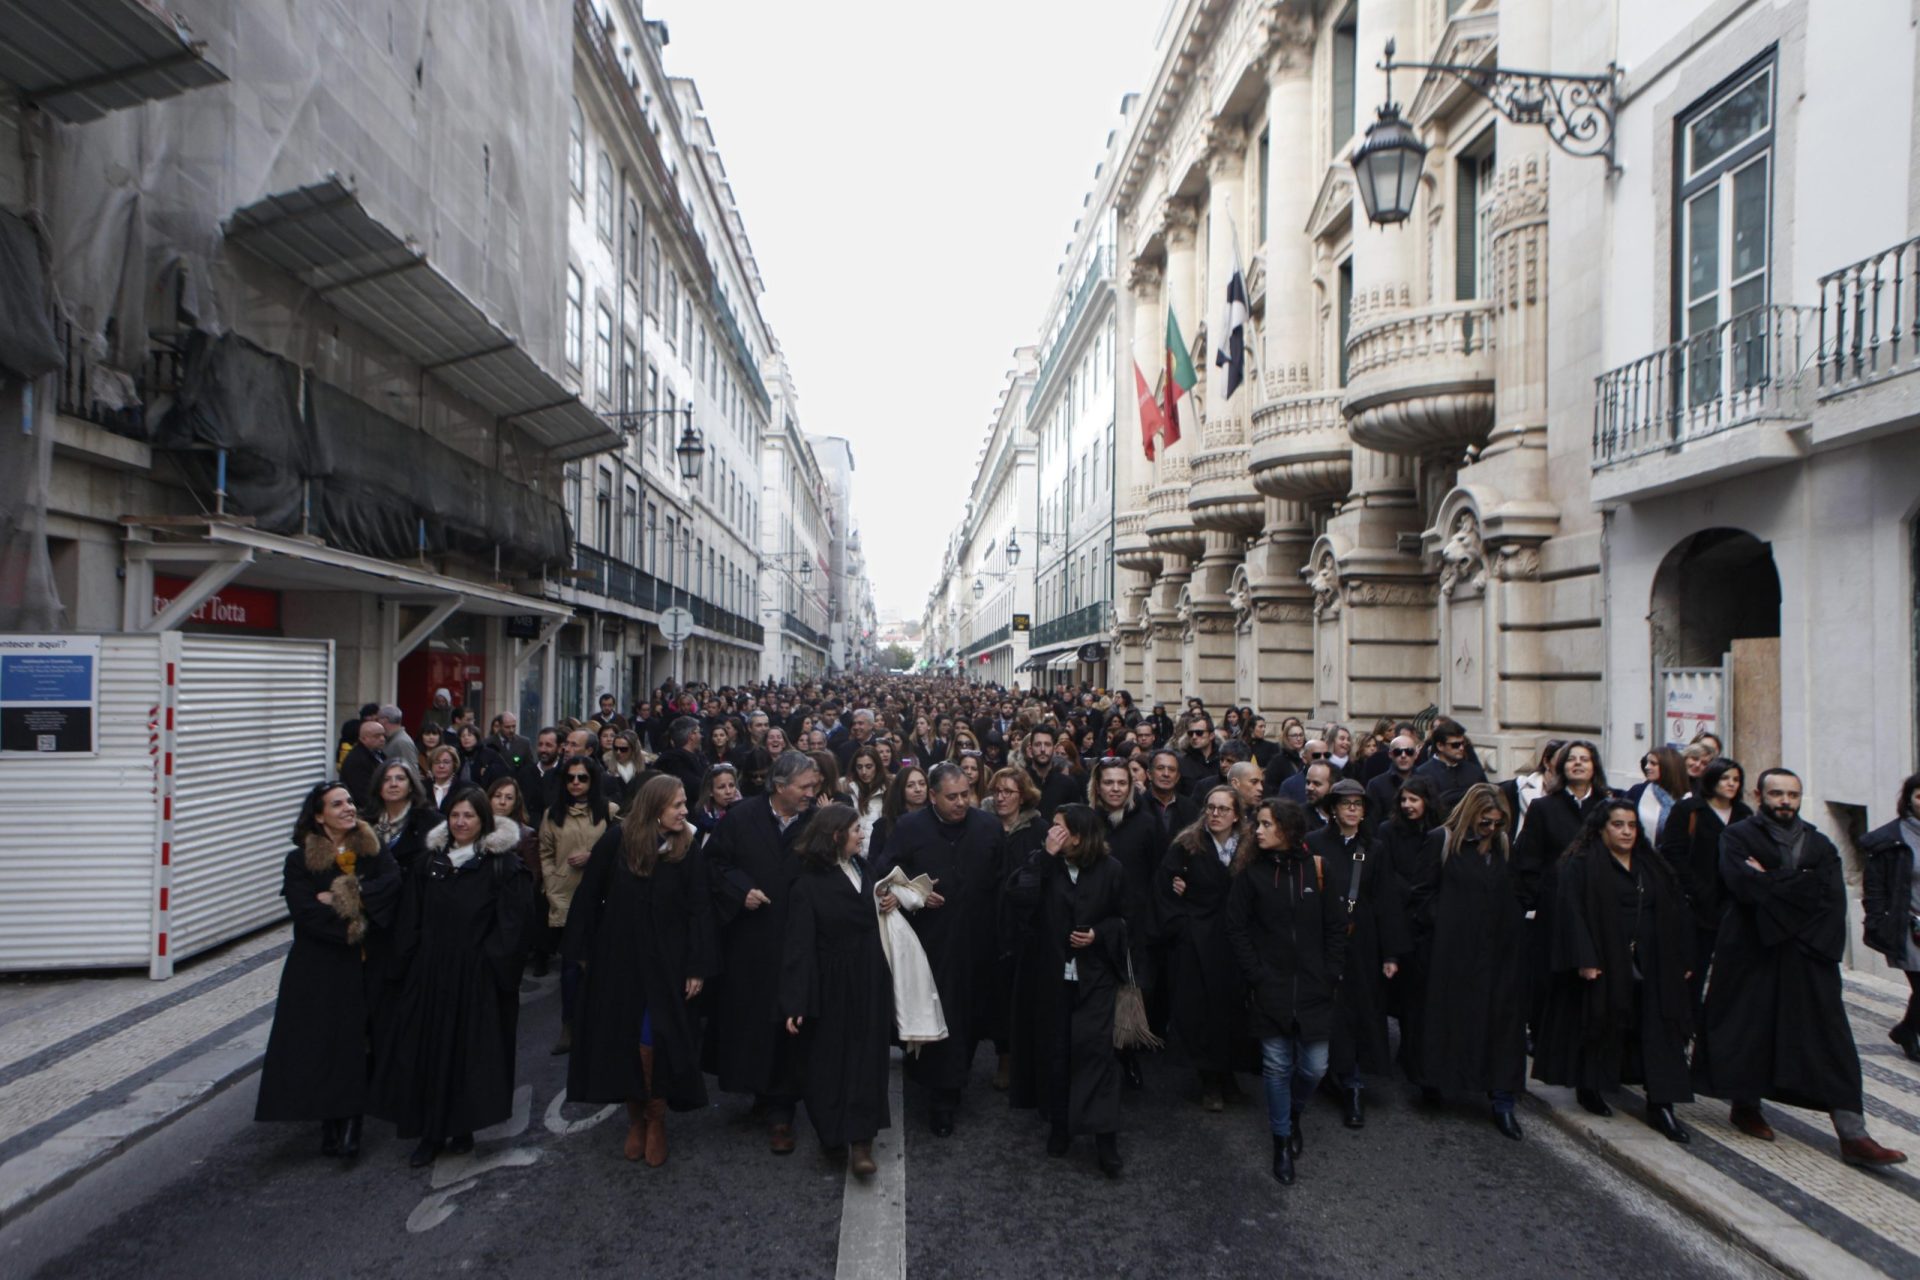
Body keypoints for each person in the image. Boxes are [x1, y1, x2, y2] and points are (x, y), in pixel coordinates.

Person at [1692, 769, 1907, 1167]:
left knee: (1832, 1042)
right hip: (1751, 952)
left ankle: (1853, 1134)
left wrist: (1772, 881)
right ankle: (1746, 1104)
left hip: (1807, 954)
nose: (1785, 801)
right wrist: (1795, 886)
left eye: (1792, 794)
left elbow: (1829, 899)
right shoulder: (1737, 837)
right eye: (1777, 794)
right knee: (1748, 1030)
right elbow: (1742, 886)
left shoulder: (1821, 844)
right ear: (1760, 795)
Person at [372, 787, 534, 1167]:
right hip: (430, 974)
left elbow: (512, 927)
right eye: (455, 816)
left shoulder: (503, 867)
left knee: (468, 1054)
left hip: (476, 977)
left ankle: (462, 1127)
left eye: (469, 816)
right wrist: (408, 965)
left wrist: (489, 966)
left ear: (484, 822)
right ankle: (430, 1132)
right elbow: (410, 918)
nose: (461, 823)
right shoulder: (428, 865)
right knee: (427, 1051)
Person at [565, 776, 715, 1167]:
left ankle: (656, 1118)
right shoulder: (617, 842)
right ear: (654, 808)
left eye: (685, 804)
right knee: (625, 1039)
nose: (685, 811)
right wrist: (583, 954)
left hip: (669, 965)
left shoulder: (687, 847)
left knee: (657, 1039)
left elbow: (700, 908)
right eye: (677, 805)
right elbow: (588, 896)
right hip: (620, 962)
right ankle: (636, 1118)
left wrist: (698, 965)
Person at [1533, 800, 1694, 1143]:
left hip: (1654, 961)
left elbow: (1676, 910)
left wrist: (1682, 959)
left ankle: (1662, 1104)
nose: (1626, 832)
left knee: (1659, 1030)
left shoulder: (1652, 865)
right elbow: (1571, 913)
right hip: (1605, 959)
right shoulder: (1580, 864)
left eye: (1631, 825)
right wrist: (1585, 958)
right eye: (1618, 825)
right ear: (1602, 829)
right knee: (1601, 1022)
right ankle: (1590, 1086)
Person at [256, 782, 401, 1159]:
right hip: (318, 966)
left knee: (358, 1042)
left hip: (365, 964)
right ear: (319, 815)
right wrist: (356, 908)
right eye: (338, 804)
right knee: (322, 1044)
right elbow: (304, 911)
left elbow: (392, 886)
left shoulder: (372, 847)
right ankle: (329, 1122)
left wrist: (341, 895)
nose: (349, 808)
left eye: (351, 801)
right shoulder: (299, 859)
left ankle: (352, 1122)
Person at [873, 761, 1003, 1137]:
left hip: (978, 943)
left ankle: (953, 1080)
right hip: (929, 944)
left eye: (966, 795)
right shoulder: (910, 828)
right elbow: (885, 875)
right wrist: (912, 894)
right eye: (952, 797)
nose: (961, 803)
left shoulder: (988, 827)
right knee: (938, 1011)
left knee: (969, 1015)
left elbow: (1000, 881)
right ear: (932, 797)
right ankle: (941, 1098)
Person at [1225, 798, 1346, 1186]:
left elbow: (1335, 926)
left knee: (1315, 1066)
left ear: (1288, 829)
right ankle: (1280, 1139)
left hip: (1313, 987)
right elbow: (1237, 927)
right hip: (1270, 987)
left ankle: (1293, 1112)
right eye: (1257, 824)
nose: (1257, 831)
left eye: (1265, 824)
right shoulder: (1250, 873)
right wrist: (1256, 974)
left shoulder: (1318, 870)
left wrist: (1330, 972)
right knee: (1277, 1066)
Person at [704, 750, 820, 1154]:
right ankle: (760, 1093)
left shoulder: (815, 823)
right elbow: (714, 865)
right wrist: (740, 891)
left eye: (814, 785)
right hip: (750, 943)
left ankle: (782, 1110)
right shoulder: (741, 817)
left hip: (799, 944)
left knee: (791, 1022)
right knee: (752, 1021)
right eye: (805, 787)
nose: (812, 793)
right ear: (779, 786)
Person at [1004, 803, 1128, 1177]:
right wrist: (1044, 858)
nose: (1051, 832)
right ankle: (1060, 1126)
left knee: (1097, 1056)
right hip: (1051, 978)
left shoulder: (1111, 870)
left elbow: (1125, 919)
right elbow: (1017, 900)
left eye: (1059, 828)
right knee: (1055, 1052)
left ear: (1079, 835)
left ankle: (1105, 1138)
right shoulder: (1043, 862)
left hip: (1096, 980)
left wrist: (1098, 935)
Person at [1407, 783, 1527, 1138]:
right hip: (1451, 951)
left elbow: (1512, 890)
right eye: (1484, 823)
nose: (1489, 830)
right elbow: (1421, 893)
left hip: (1496, 951)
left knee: (1500, 1024)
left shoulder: (1503, 846)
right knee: (1447, 1017)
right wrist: (1443, 923)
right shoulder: (1441, 841)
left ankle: (1502, 1099)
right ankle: (1436, 1081)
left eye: (1496, 823)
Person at [780, 803, 894, 1176]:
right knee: (828, 1059)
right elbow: (798, 947)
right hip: (829, 983)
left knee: (867, 1056)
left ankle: (861, 1140)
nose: (862, 836)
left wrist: (889, 899)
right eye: (856, 830)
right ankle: (831, 1133)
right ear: (835, 836)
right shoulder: (807, 885)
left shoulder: (866, 868)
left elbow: (877, 905)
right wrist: (796, 1000)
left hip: (869, 976)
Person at [1309, 779, 1408, 1131]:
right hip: (1320, 940)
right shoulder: (1313, 843)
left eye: (1358, 804)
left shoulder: (1374, 848)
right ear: (1332, 808)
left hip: (1361, 942)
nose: (1352, 809)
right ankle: (1320, 1074)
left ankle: (1353, 1084)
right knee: (1323, 1009)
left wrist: (1391, 952)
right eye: (1346, 803)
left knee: (1357, 1012)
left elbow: (1386, 902)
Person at [1160, 785, 1249, 1112]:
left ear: (1236, 814)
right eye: (1210, 807)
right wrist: (1183, 924)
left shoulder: (1250, 847)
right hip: (1198, 940)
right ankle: (1209, 1078)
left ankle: (1228, 1074)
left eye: (1223, 809)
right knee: (1202, 1012)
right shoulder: (1187, 845)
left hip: (1236, 943)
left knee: (1233, 1012)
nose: (1215, 814)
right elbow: (1166, 890)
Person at [1658, 757, 1750, 1014]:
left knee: (1731, 970)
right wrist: (1694, 888)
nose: (1731, 784)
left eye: (1736, 779)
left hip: (1732, 903)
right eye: (1725, 778)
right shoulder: (1689, 810)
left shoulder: (1744, 814)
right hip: (1695, 903)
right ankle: (1686, 1021)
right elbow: (1673, 852)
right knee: (1693, 968)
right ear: (1712, 780)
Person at [539, 755, 617, 1056]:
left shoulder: (609, 812)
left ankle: (599, 1025)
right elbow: (545, 852)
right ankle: (569, 1025)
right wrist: (550, 884)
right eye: (570, 777)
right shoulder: (552, 814)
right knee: (571, 967)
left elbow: (619, 850)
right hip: (566, 895)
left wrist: (592, 856)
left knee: (600, 965)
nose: (575, 783)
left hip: (600, 899)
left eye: (582, 778)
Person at [985, 767, 1045, 1091]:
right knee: (998, 996)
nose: (1002, 797)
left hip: (1025, 924)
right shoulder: (985, 827)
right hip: (992, 922)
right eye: (997, 791)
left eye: (1009, 792)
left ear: (1022, 796)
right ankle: (1004, 1056)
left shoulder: (1037, 829)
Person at [1863, 772, 1920, 1062]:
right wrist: (1876, 919)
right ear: (1909, 800)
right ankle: (1910, 1032)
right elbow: (1875, 887)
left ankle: (1907, 1028)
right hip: (1908, 925)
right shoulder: (1889, 839)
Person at [487, 776, 546, 974]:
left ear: (516, 802)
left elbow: (533, 877)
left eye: (508, 797)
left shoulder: (525, 834)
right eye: (498, 796)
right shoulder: (476, 828)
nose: (502, 802)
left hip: (507, 912)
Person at [367, 759, 439, 873]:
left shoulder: (430, 822)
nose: (393, 784)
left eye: (400, 778)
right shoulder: (366, 823)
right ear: (378, 787)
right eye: (386, 780)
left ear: (411, 786)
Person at [1410, 718, 1488, 816]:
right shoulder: (1422, 774)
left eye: (1463, 743)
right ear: (1440, 746)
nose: (1461, 748)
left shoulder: (1475, 772)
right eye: (1455, 745)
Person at [867, 764, 928, 865]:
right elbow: (874, 866)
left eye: (922, 784)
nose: (918, 789)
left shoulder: (935, 820)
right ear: (900, 790)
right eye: (910, 785)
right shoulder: (883, 826)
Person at [1625, 747, 1686, 846]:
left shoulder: (1686, 798)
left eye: (1653, 763)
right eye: (1647, 763)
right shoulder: (1638, 791)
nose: (1647, 767)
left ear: (1667, 766)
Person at [1023, 724, 1081, 820]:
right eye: (1038, 744)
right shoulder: (1020, 782)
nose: (1042, 749)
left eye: (1047, 744)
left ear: (1054, 749)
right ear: (1030, 750)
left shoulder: (1068, 784)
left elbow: (1075, 821)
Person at [1364, 734, 1421, 825]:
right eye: (1398, 752)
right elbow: (1371, 823)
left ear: (1416, 755)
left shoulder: (1426, 782)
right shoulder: (1375, 785)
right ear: (1390, 754)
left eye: (1409, 751)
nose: (1403, 755)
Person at [654, 717, 709, 801]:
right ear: (691, 735)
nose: (701, 736)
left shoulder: (700, 756)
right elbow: (693, 786)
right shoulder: (672, 760)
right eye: (698, 732)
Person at [846, 744, 890, 849]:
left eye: (869, 767)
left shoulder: (889, 791)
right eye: (859, 767)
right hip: (854, 853)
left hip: (878, 854)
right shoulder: (848, 792)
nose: (864, 772)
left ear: (877, 766)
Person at [1177, 716, 1221, 795]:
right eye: (1190, 733)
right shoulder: (1181, 762)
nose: (1194, 737)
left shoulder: (1223, 760)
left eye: (1199, 733)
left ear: (1211, 735)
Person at [377, 704, 418, 770]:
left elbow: (411, 770)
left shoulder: (402, 742)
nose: (377, 722)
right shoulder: (390, 739)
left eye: (378, 719)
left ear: (385, 720)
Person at [425, 745, 462, 814]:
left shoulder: (464, 788)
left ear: (454, 764)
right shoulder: (421, 788)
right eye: (436, 762)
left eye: (446, 762)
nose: (441, 766)